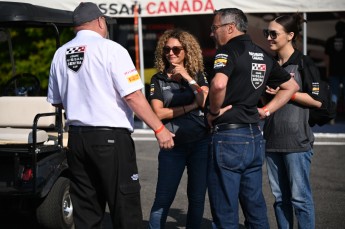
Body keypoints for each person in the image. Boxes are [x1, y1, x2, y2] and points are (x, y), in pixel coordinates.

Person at [47, 2, 174, 228]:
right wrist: (159, 128)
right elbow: (133, 96)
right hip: (110, 138)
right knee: (126, 208)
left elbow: (56, 101)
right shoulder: (112, 49)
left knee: (86, 210)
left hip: (77, 138)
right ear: (99, 21)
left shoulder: (60, 54)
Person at [206, 8, 299, 228]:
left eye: (214, 28)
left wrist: (213, 111)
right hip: (254, 136)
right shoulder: (263, 54)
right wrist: (266, 111)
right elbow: (291, 86)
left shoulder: (227, 51)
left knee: (225, 208)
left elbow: (218, 84)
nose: (212, 33)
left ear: (230, 27)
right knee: (255, 205)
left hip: (229, 136)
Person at [262, 14, 323, 229]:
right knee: (279, 199)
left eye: (273, 34)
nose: (269, 37)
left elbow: (318, 102)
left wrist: (288, 92)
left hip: (297, 142)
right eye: (266, 33)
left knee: (300, 199)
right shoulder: (268, 64)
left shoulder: (304, 63)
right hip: (271, 141)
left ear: (290, 36)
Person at [148, 29, 209, 228]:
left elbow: (204, 99)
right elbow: (157, 113)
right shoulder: (158, 79)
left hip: (200, 144)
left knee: (197, 198)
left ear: (187, 51)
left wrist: (187, 77)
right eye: (167, 49)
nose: (171, 53)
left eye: (176, 49)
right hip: (172, 146)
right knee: (163, 199)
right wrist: (190, 107)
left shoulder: (198, 75)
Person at [325, 20, 345, 116]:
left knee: (334, 94)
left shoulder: (330, 40)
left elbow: (327, 58)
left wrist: (327, 71)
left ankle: (332, 116)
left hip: (333, 70)